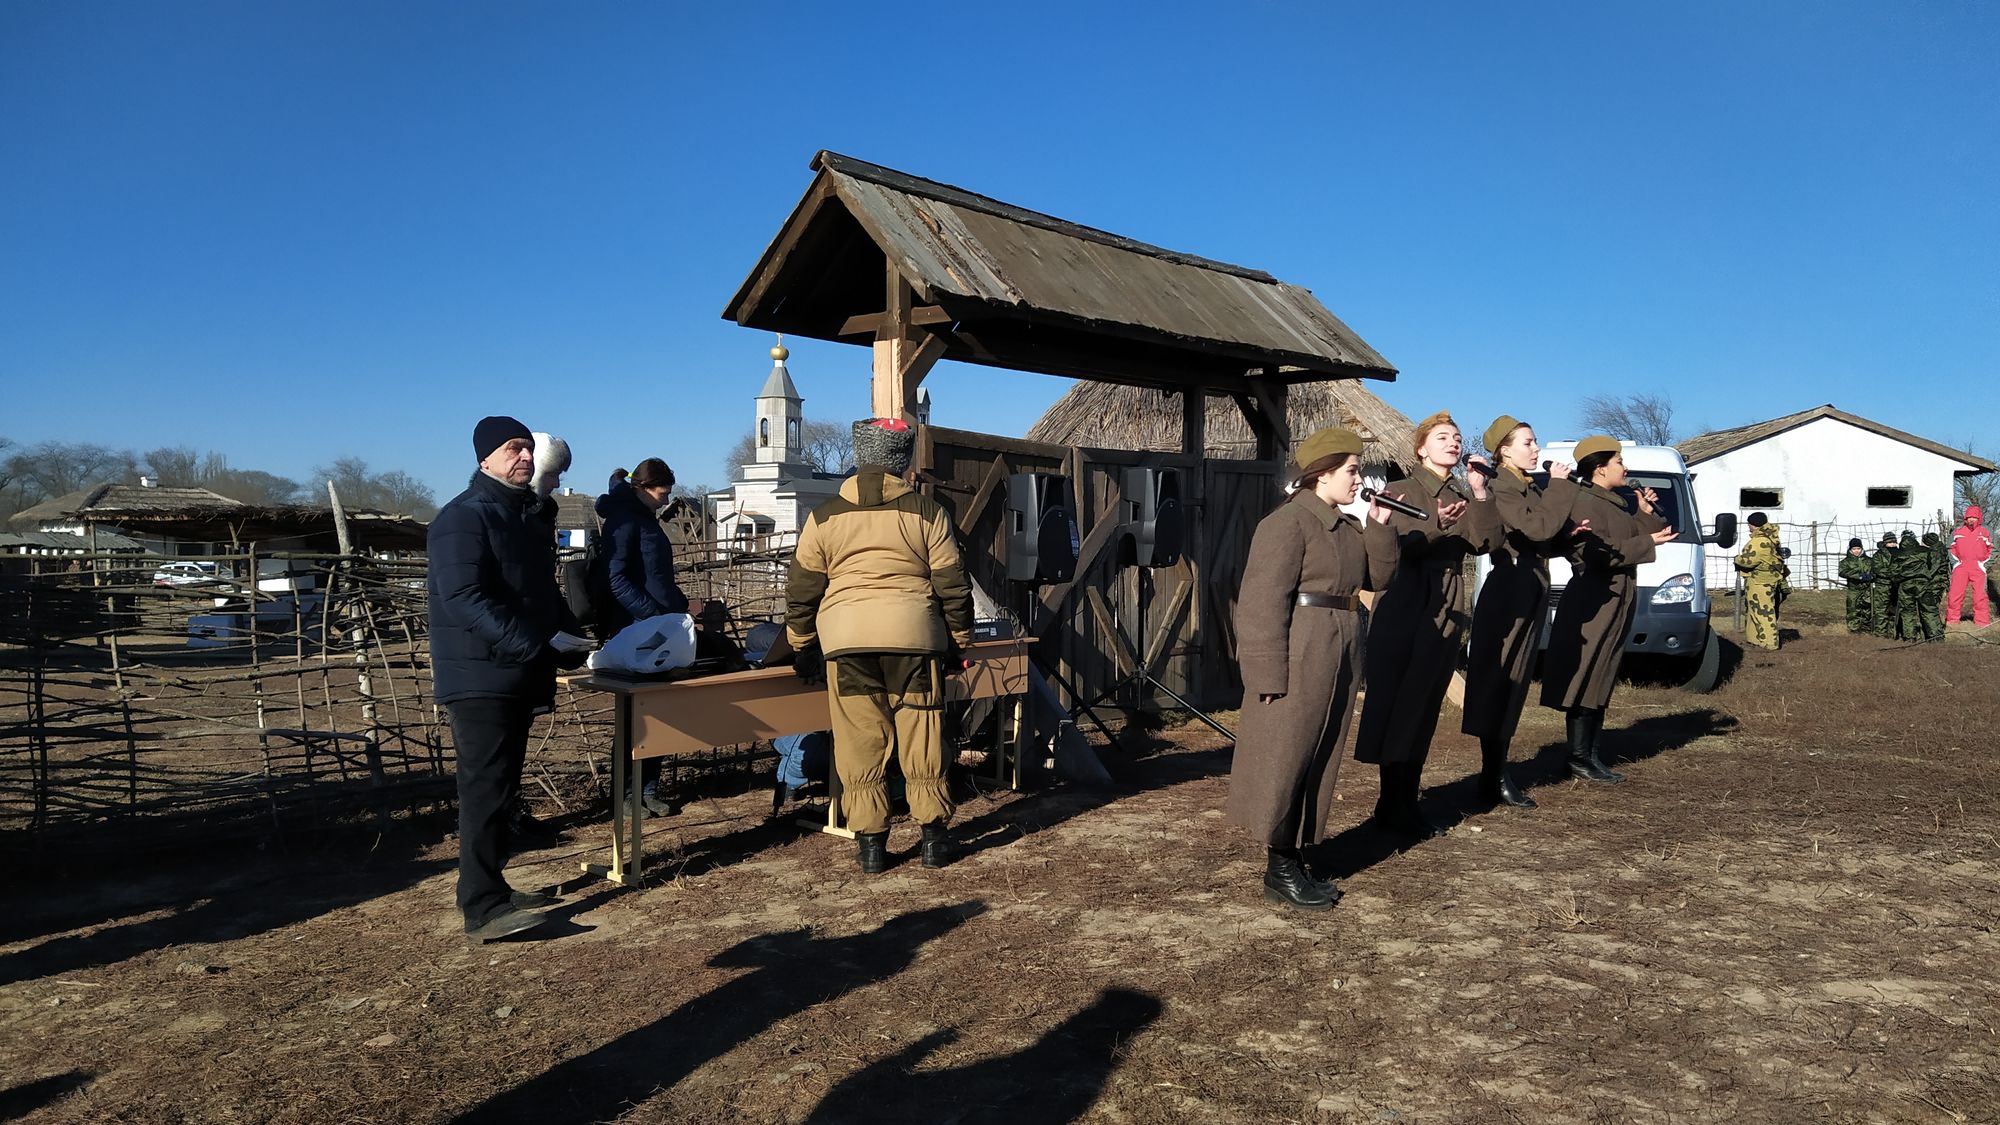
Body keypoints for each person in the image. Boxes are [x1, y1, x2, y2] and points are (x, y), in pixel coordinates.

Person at [428, 415, 592, 945]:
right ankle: (482, 908)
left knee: (501, 790)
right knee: (484, 789)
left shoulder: (520, 516)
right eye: (511, 448)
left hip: (511, 670)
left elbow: (538, 593)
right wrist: (534, 646)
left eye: (527, 448)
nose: (524, 456)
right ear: (485, 458)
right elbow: (463, 598)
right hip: (479, 674)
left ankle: (492, 887)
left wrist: (571, 638)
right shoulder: (463, 517)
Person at [785, 418, 975, 874]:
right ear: (903, 460)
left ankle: (871, 846)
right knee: (922, 735)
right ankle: (933, 841)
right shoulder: (928, 513)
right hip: (915, 639)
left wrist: (802, 643)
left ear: (859, 456)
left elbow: (802, 588)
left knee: (860, 741)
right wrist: (959, 641)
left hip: (847, 643)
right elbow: (953, 585)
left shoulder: (823, 516)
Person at [1226, 427, 1398, 911]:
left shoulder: (1347, 525)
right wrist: (1265, 673)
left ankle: (1296, 856)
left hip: (1341, 646)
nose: (1358, 479)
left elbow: (1379, 578)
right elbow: (1260, 604)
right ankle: (1279, 867)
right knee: (1288, 756)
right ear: (1322, 474)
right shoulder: (1287, 523)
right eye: (1351, 470)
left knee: (1321, 752)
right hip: (1301, 649)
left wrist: (1380, 525)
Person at [1353, 412, 1497, 838]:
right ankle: (1392, 803)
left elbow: (1486, 542)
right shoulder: (1400, 491)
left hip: (1446, 601)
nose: (1453, 443)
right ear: (1421, 449)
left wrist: (1481, 493)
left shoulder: (1461, 492)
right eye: (1442, 437)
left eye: (1456, 437)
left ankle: (1406, 802)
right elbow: (1393, 551)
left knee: (1425, 704)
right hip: (1406, 602)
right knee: (1399, 701)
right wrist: (1438, 525)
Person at [1540, 436, 1677, 783]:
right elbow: (1597, 553)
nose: (1625, 468)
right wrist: (1647, 540)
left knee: (1603, 672)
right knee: (1587, 673)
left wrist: (1644, 514)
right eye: (1619, 461)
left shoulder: (1613, 502)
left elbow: (1631, 537)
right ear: (1600, 468)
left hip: (1617, 595)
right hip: (1593, 598)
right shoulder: (1581, 501)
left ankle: (1590, 754)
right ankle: (1578, 757)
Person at [1461, 416, 1578, 811]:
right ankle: (1493, 775)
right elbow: (1537, 529)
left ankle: (1495, 773)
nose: (1536, 448)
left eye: (1534, 441)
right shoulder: (1502, 487)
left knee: (1513, 684)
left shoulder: (1524, 485)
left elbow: (1542, 539)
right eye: (1527, 442)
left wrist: (1569, 537)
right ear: (1504, 451)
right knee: (1500, 681)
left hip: (1529, 585)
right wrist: (1558, 487)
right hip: (1510, 590)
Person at [596, 457, 709, 816]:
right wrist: (652, 615)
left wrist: (680, 606)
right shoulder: (624, 520)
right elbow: (615, 580)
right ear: (643, 488)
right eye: (662, 493)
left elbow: (657, 576)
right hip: (635, 631)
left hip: (659, 628)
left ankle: (648, 789)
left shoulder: (645, 518)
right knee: (634, 717)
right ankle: (625, 794)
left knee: (658, 712)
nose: (666, 500)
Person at [1734, 513, 1788, 651]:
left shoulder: (1759, 541)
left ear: (1753, 524)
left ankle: (1769, 643)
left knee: (1763, 613)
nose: (1748, 526)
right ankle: (1755, 639)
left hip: (1760, 582)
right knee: (1754, 611)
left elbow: (1747, 561)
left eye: (1749, 524)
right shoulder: (1770, 537)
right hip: (1763, 580)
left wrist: (1737, 559)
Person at [1947, 506, 1991, 627]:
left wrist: (1984, 564)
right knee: (1955, 595)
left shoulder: (1985, 532)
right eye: (1969, 517)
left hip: (1978, 567)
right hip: (1961, 567)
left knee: (1980, 596)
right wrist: (1956, 563)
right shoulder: (1957, 532)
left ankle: (1982, 622)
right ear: (1965, 518)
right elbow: (1950, 548)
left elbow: (1993, 549)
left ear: (1979, 518)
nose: (1971, 519)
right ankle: (1952, 621)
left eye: (1974, 517)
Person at [1893, 530, 1930, 641]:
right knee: (1928, 610)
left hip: (1905, 584)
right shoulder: (1923, 552)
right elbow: (1932, 564)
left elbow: (1893, 571)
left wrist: (1897, 581)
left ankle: (1909, 637)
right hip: (1922, 583)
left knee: (1907, 611)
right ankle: (1933, 636)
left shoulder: (1898, 554)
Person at [1838, 537, 1876, 636]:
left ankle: (1867, 630)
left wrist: (1872, 576)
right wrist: (1858, 576)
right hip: (1854, 589)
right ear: (1850, 549)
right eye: (1854, 549)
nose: (1856, 551)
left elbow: (1876, 570)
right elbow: (1842, 572)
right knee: (1853, 610)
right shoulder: (1846, 562)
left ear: (1861, 549)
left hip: (1867, 589)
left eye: (1858, 549)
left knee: (1868, 610)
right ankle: (1854, 631)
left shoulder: (1869, 561)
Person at [1918, 531, 1949, 640]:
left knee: (1931, 610)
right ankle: (1935, 634)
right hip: (1939, 582)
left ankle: (1936, 635)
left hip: (1935, 583)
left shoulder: (1935, 553)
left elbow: (1932, 570)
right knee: (1932, 609)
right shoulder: (1940, 549)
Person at [1871, 533, 1901, 638]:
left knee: (1895, 611)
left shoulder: (1901, 553)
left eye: (1894, 542)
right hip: (1882, 586)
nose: (1892, 544)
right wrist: (1892, 573)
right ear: (1885, 543)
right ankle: (1881, 634)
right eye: (1890, 542)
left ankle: (1893, 634)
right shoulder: (1878, 555)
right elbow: (1877, 569)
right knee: (1881, 611)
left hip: (1897, 586)